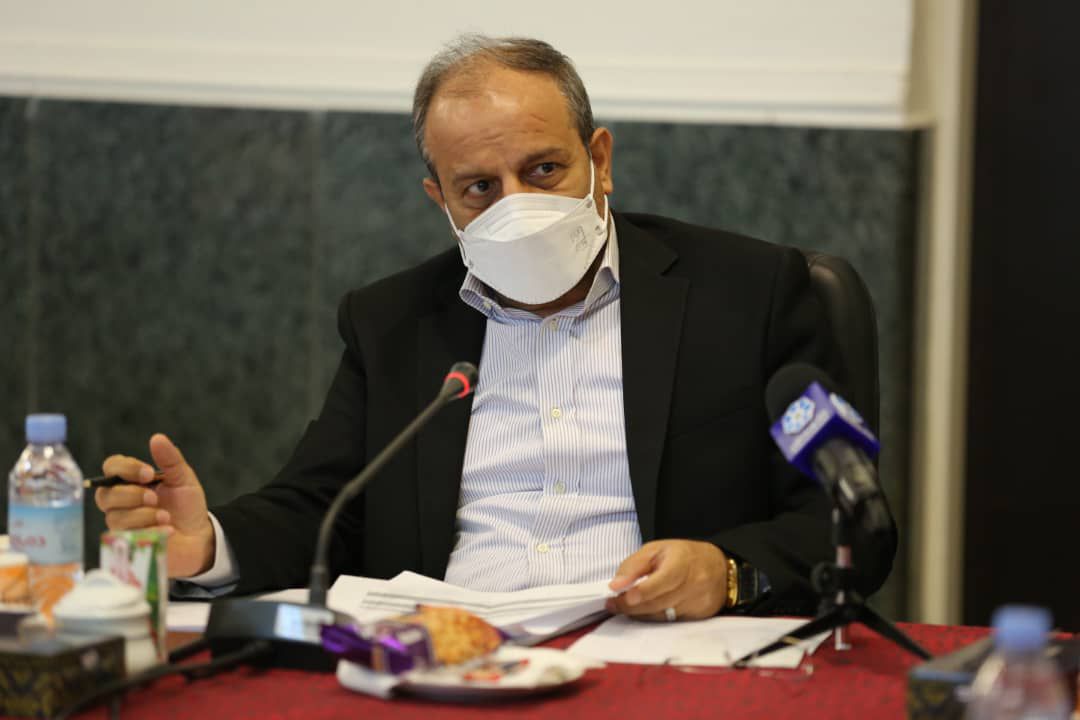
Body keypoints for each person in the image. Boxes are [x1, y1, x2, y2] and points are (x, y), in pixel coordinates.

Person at [95, 34, 896, 622]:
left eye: (544, 169)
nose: (518, 203)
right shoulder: (394, 321)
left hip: (660, 653)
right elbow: (325, 506)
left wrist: (724, 572)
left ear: (600, 160)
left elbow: (843, 523)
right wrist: (207, 542)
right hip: (448, 661)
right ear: (440, 199)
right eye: (479, 186)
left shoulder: (747, 292)